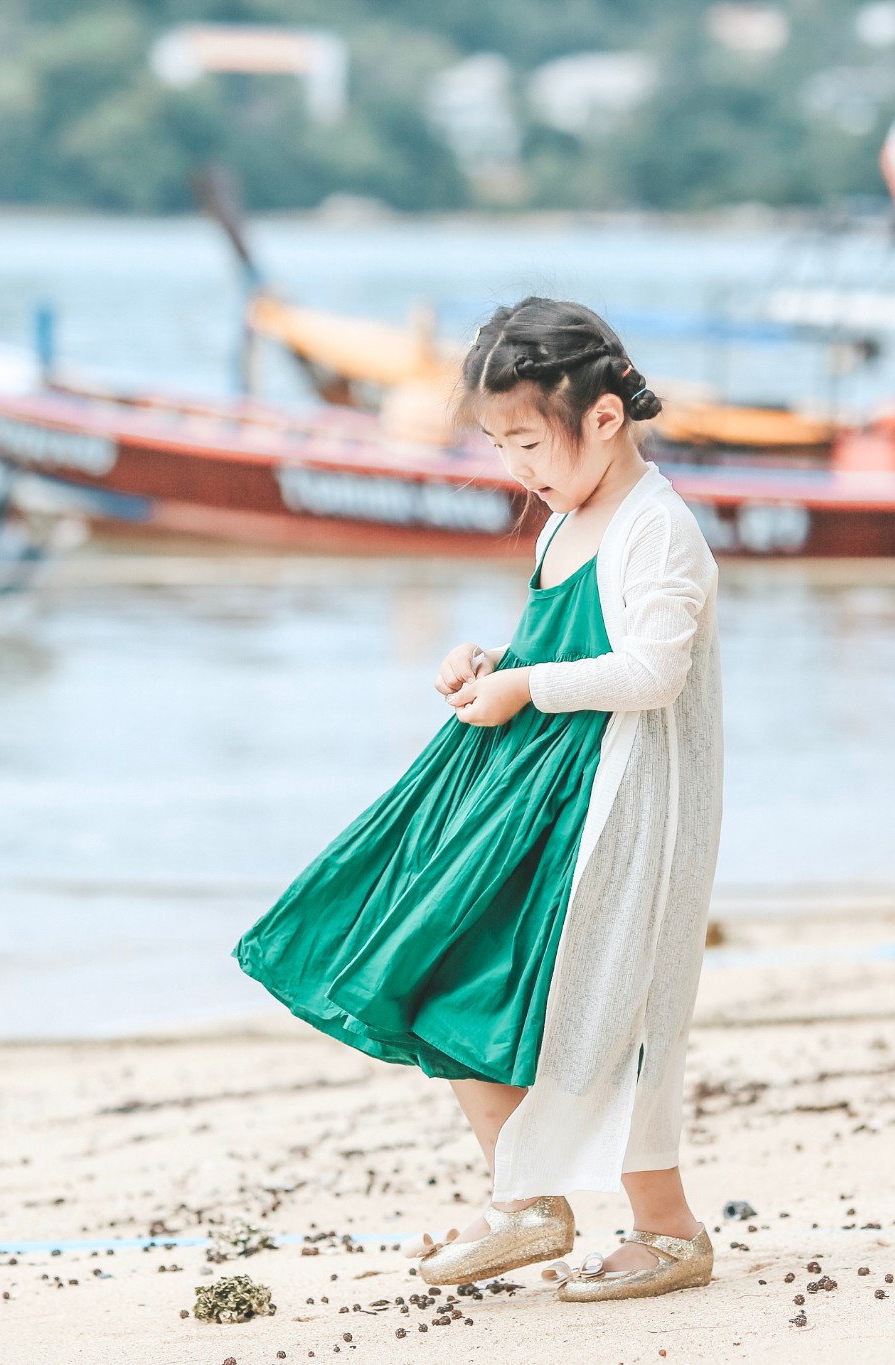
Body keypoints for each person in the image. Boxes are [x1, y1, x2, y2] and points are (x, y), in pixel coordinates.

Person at [233, 297, 723, 1303]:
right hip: (528, 791)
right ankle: (527, 1200)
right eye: (497, 445)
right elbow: (557, 649)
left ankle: (666, 1230)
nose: (518, 471)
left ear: (601, 418)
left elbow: (650, 673)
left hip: (612, 811)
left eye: (528, 442)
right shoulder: (566, 519)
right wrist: (491, 662)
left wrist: (524, 687)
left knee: (612, 1009)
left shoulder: (654, 529)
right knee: (441, 959)